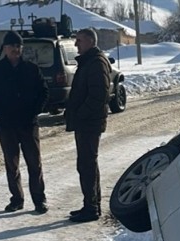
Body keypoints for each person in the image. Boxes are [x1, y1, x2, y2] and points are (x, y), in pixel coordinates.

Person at [0, 30, 49, 213]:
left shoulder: (31, 69)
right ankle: (17, 199)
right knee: (12, 164)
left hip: (28, 124)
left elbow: (44, 92)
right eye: (12, 46)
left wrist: (34, 112)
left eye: (18, 46)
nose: (15, 49)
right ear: (5, 48)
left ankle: (39, 200)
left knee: (34, 163)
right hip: (6, 126)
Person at [63, 27, 112, 223]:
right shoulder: (89, 62)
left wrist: (80, 114)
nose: (76, 44)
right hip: (86, 122)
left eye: (80, 40)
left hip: (90, 123)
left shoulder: (96, 63)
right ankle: (90, 204)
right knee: (86, 164)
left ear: (91, 42)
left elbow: (98, 96)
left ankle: (91, 208)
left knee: (87, 164)